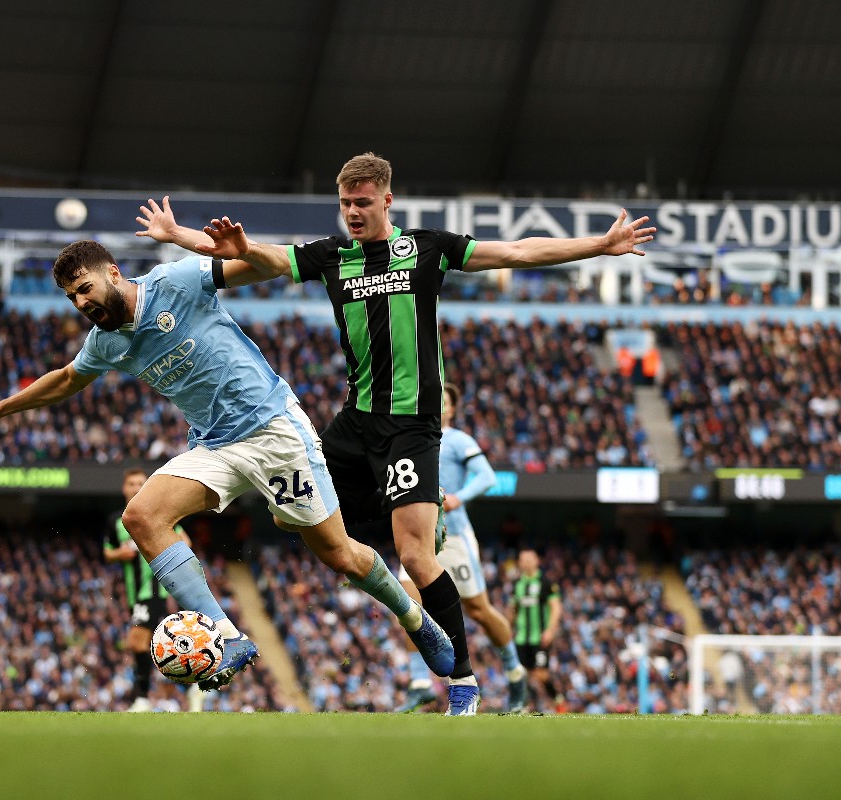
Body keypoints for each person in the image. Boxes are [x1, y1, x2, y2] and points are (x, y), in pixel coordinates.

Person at [135, 152, 654, 715]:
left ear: (387, 200)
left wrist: (598, 246)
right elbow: (254, 254)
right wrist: (178, 236)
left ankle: (462, 681)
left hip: (410, 426)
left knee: (416, 555)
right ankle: (410, 546)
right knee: (296, 519)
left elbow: (519, 251)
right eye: (344, 204)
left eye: (362, 202)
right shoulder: (332, 257)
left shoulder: (427, 247)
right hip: (354, 422)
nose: (352, 213)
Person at [0, 237, 455, 692]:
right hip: (214, 446)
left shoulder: (175, 281)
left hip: (273, 431)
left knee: (340, 555)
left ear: (112, 272)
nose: (81, 301)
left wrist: (240, 250)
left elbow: (258, 269)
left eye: (84, 287)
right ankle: (227, 637)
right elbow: (68, 378)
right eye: (72, 297)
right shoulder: (106, 341)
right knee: (141, 517)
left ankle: (414, 617)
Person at [394, 385, 528, 713]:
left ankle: (515, 671)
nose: (437, 405)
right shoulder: (411, 440)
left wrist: (458, 497)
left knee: (479, 611)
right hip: (418, 538)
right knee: (407, 604)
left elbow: (486, 476)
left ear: (453, 409)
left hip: (453, 538)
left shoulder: (457, 440)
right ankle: (420, 684)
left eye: (444, 401)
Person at [103, 466, 202, 712]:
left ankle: (143, 698)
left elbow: (186, 542)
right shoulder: (116, 521)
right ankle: (190, 689)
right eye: (131, 484)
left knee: (138, 641)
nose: (136, 488)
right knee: (151, 643)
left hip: (157, 589)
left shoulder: (156, 515)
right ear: (124, 488)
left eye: (140, 483)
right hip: (134, 593)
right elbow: (107, 552)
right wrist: (120, 554)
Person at [509, 548, 562, 711]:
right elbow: (513, 608)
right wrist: (508, 627)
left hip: (539, 637)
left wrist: (550, 630)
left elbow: (556, 607)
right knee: (521, 674)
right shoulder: (517, 584)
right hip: (521, 637)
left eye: (529, 559)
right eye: (523, 559)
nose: (526, 562)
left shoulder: (546, 583)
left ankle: (559, 701)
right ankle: (523, 705)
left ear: (537, 561)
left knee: (541, 675)